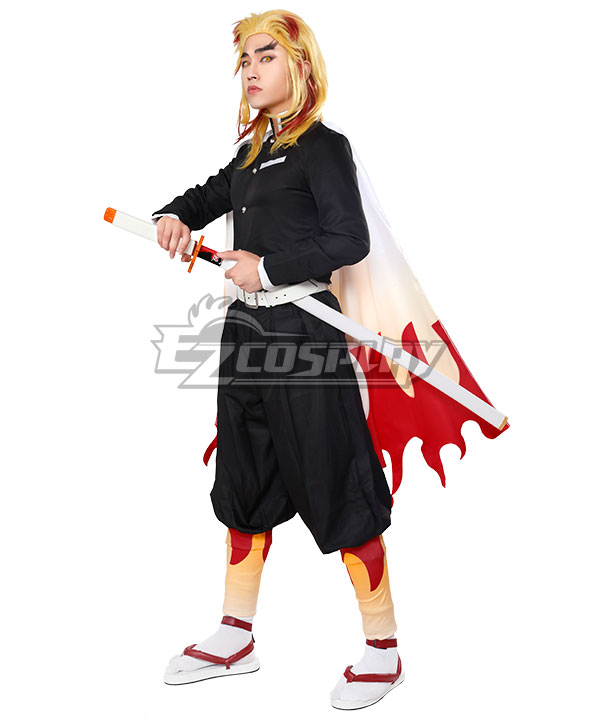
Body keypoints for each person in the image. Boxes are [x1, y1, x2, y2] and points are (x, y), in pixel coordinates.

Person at [151, 9, 405, 711]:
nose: (252, 70)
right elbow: (207, 195)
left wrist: (266, 269)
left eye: (266, 56)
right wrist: (173, 216)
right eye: (245, 60)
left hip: (305, 333)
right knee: (244, 479)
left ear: (299, 64)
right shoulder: (251, 153)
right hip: (245, 335)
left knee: (336, 478)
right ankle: (236, 635)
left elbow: (348, 240)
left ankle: (383, 647)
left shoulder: (323, 147)